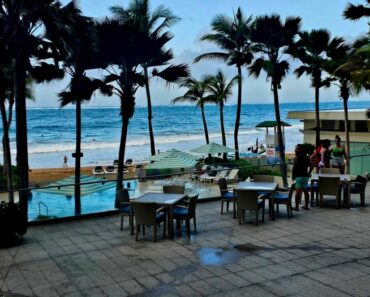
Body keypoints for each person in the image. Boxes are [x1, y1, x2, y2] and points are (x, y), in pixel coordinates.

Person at [292, 144, 311, 210]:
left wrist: (293, 176)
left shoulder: (296, 157)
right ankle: (306, 206)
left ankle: (296, 207)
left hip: (299, 176)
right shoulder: (307, 157)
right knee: (306, 191)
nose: (295, 149)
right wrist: (308, 173)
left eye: (297, 148)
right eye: (296, 148)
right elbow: (310, 165)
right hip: (305, 176)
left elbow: (294, 168)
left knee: (297, 192)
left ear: (300, 149)